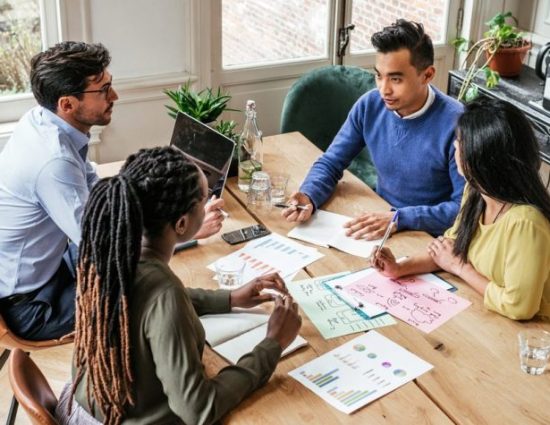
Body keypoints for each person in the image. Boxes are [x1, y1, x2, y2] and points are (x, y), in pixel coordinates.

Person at [54, 146, 302, 425]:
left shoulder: (113, 254)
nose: (211, 201)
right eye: (206, 197)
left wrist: (230, 298)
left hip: (80, 408)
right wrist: (273, 343)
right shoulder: (165, 293)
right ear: (182, 224)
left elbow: (151, 304)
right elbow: (199, 410)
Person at [0, 42, 224, 340]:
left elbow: (100, 195)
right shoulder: (54, 163)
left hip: (55, 265)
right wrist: (184, 232)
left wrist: (167, 198)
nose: (114, 96)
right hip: (35, 305)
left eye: (110, 85)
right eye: (103, 90)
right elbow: (104, 243)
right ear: (66, 104)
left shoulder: (43, 119)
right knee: (152, 290)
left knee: (144, 258)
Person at [283, 19, 465, 240]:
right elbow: (331, 162)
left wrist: (400, 218)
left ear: (427, 75)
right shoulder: (370, 104)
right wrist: (309, 195)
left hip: (432, 236)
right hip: (381, 220)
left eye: (396, 79)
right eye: (379, 75)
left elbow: (463, 209)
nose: (384, 89)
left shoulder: (458, 124)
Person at [372, 99, 550, 321]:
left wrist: (460, 268)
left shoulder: (526, 223)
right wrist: (399, 267)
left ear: (481, 157)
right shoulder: (476, 192)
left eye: (460, 141)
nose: (455, 146)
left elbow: (518, 306)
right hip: (485, 317)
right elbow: (448, 250)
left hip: (530, 338)